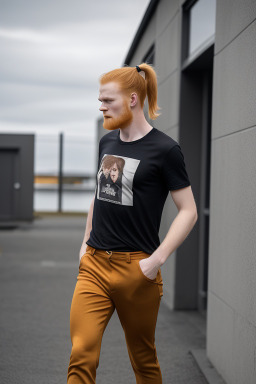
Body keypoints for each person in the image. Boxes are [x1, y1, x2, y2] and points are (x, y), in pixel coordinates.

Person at [67, 63, 198, 383]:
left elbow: (188, 210)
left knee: (143, 359)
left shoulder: (165, 150)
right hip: (95, 265)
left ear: (133, 100)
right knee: (81, 352)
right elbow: (100, 193)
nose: (101, 107)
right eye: (100, 100)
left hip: (138, 270)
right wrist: (85, 242)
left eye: (108, 100)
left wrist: (156, 260)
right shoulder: (107, 142)